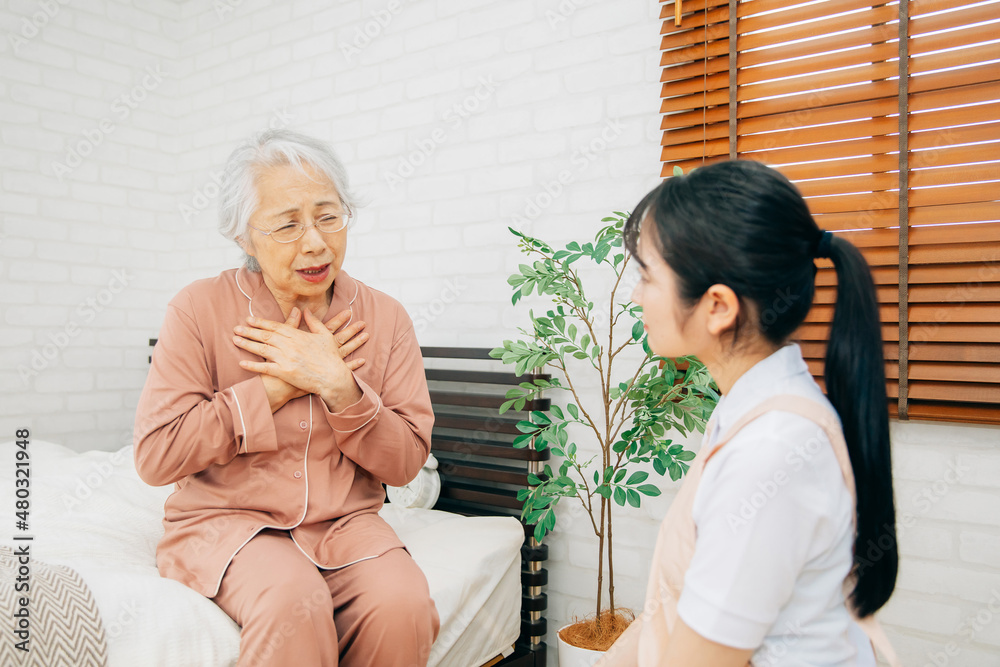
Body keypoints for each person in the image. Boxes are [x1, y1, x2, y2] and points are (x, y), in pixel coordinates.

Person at [133, 129, 440, 666]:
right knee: (292, 598)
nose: (316, 242)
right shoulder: (197, 309)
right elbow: (158, 455)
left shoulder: (386, 318)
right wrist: (280, 385)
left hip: (346, 526)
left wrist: (341, 387)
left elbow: (407, 461)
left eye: (328, 216)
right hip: (227, 525)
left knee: (403, 603)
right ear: (243, 237)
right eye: (287, 225)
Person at [596, 160, 900, 666]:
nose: (635, 295)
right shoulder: (751, 413)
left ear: (718, 306)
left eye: (647, 277)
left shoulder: (771, 450)